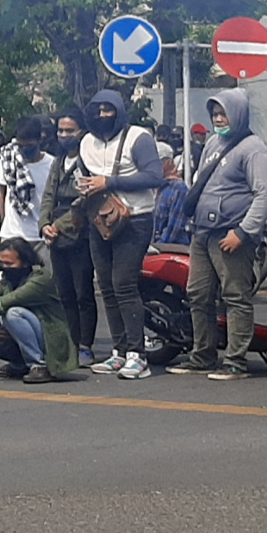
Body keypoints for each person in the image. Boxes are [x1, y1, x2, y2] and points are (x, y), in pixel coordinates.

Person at [173, 88, 267, 382]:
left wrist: (243, 233)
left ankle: (235, 362)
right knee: (198, 295)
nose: (219, 119)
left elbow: (266, 194)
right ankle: (203, 356)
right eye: (215, 114)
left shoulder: (253, 149)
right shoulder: (213, 143)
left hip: (231, 236)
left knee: (235, 297)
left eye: (224, 113)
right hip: (202, 233)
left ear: (239, 114)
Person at [79, 90, 166, 380]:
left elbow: (155, 176)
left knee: (124, 284)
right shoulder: (86, 143)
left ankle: (137, 356)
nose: (103, 115)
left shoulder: (138, 138)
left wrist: (110, 181)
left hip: (135, 219)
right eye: (98, 110)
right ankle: (119, 352)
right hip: (100, 220)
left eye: (108, 109)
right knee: (106, 285)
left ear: (119, 109)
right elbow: (86, 177)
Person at [0, 238, 75, 384]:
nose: (5, 268)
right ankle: (20, 364)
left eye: (9, 264)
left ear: (25, 262)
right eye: (2, 263)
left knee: (12, 313)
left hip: (50, 337)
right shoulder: (8, 281)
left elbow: (7, 301)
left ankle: (39, 365)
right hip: (31, 329)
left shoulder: (40, 279)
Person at [38, 109, 98, 367]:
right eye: (61, 131)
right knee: (64, 293)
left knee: (83, 291)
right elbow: (48, 195)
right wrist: (44, 225)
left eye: (69, 131)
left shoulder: (87, 161)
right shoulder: (58, 160)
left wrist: (58, 226)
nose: (64, 135)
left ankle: (86, 345)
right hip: (56, 236)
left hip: (80, 232)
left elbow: (84, 199)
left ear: (81, 132)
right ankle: (71, 343)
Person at [0, 115, 56, 245]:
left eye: (29, 146)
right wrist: (4, 221)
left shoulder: (52, 165)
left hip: (41, 235)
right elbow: (2, 193)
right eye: (20, 146)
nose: (24, 150)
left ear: (40, 141)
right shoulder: (9, 161)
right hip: (13, 234)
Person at [151, 147, 191, 245]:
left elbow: (174, 228)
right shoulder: (152, 187)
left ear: (167, 163)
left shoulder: (179, 188)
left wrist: (159, 245)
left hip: (171, 247)